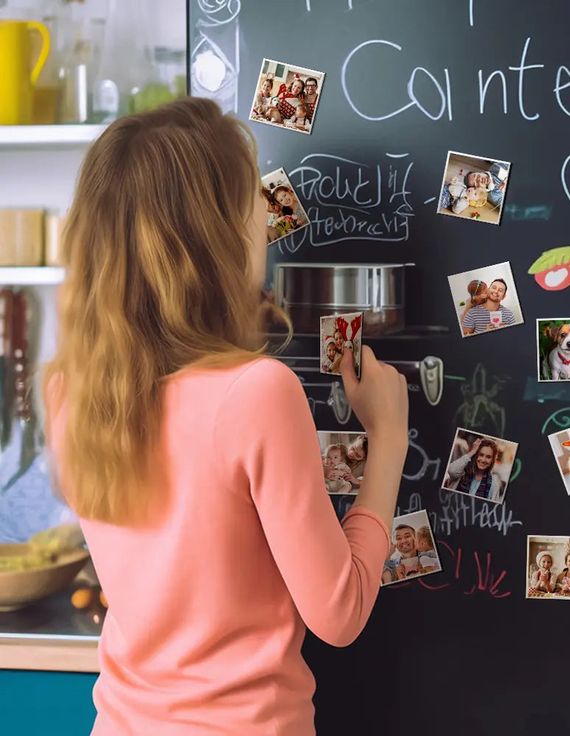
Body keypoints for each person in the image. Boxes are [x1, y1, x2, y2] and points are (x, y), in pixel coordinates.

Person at [43, 97, 409, 736]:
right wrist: (388, 439)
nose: (264, 227)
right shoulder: (258, 393)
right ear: (213, 241)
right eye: (253, 210)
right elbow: (340, 611)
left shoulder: (69, 390)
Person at [444, 436, 503, 501]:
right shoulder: (461, 473)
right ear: (476, 454)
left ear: (492, 460)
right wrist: (472, 452)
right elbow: (451, 470)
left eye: (488, 457)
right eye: (481, 454)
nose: (483, 460)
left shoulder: (494, 486)